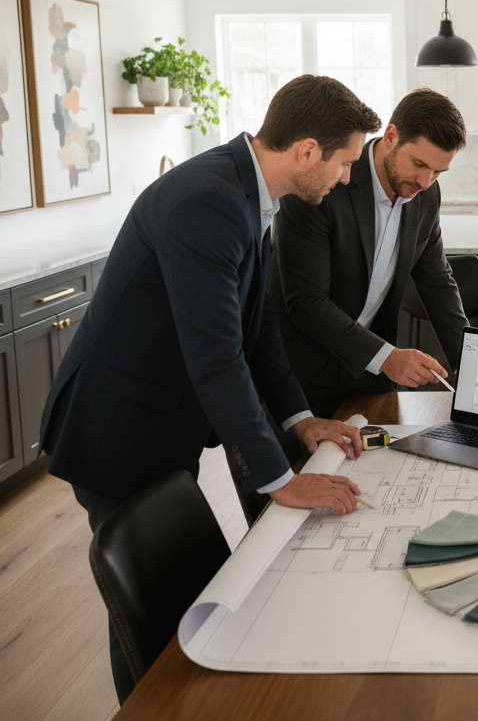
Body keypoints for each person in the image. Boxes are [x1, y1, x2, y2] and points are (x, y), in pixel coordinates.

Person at [39, 74, 380, 703]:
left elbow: (257, 325)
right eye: (345, 162)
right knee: (147, 616)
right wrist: (280, 481)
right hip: (118, 428)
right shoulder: (210, 201)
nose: (347, 178)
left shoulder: (247, 191)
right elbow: (218, 359)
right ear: (307, 151)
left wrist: (300, 419)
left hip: (160, 420)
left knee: (179, 601)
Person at [269, 88, 470, 417]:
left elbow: (437, 282)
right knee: (304, 453)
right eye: (419, 164)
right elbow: (306, 302)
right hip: (302, 367)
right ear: (391, 136)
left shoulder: (426, 195)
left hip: (368, 370)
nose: (425, 181)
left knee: (386, 451)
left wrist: (472, 363)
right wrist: (387, 357)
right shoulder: (324, 179)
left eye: (438, 172)